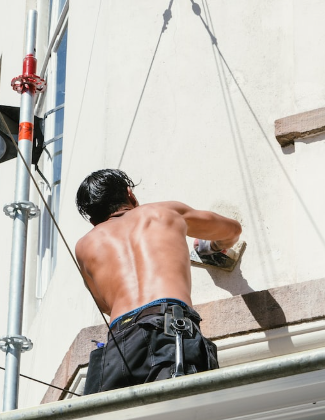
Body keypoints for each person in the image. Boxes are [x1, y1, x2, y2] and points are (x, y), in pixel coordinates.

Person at [75, 168, 242, 394]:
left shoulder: (84, 246)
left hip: (118, 346)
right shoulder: (164, 212)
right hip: (167, 329)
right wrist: (210, 247)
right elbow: (232, 230)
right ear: (130, 194)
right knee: (184, 412)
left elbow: (105, 305)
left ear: (93, 218)